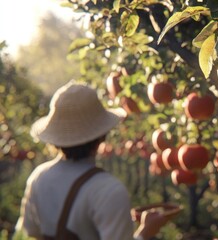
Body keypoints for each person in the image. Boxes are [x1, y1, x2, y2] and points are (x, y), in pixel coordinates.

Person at [15, 81, 180, 240]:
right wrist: (145, 231)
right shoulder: (107, 189)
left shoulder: (39, 177)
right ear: (102, 135)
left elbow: (30, 232)